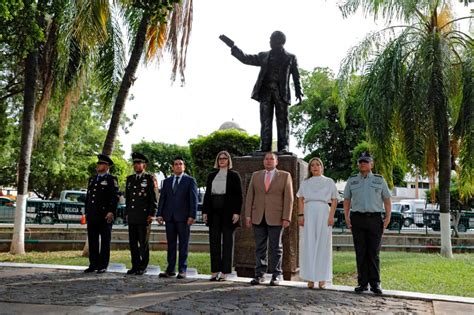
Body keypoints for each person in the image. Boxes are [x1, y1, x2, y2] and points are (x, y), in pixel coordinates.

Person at [219, 31, 303, 153]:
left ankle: (283, 147)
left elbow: (296, 76)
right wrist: (233, 46)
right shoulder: (264, 55)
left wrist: (299, 91)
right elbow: (246, 58)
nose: (269, 41)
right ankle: (265, 147)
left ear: (278, 41)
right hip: (265, 93)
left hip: (281, 94)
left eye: (271, 39)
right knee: (265, 121)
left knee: (282, 121)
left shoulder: (290, 57)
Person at [343, 152, 392, 295]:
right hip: (357, 218)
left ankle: (375, 283)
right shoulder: (352, 181)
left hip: (375, 219)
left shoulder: (379, 180)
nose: (362, 164)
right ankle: (362, 283)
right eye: (360, 162)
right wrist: (346, 217)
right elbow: (347, 200)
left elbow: (387, 200)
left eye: (365, 162)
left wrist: (388, 217)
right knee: (360, 252)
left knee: (374, 252)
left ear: (371, 164)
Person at [245, 152, 294, 286]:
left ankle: (277, 274)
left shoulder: (285, 176)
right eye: (266, 159)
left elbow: (289, 198)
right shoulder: (256, 176)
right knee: (260, 247)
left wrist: (286, 217)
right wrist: (248, 215)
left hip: (276, 218)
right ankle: (259, 274)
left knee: (276, 247)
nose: (268, 161)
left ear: (276, 162)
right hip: (258, 216)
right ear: (263, 161)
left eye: (271, 159)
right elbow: (250, 197)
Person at [297, 157, 338, 289]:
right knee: (309, 243)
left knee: (323, 244)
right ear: (309, 168)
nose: (315, 167)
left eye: (317, 165)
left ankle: (322, 278)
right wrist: (301, 215)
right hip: (309, 212)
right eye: (312, 165)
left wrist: (331, 216)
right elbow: (300, 199)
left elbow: (334, 200)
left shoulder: (329, 181)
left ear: (322, 167)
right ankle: (310, 277)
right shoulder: (305, 182)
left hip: (323, 212)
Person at [202, 151, 243, 281]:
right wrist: (205, 212)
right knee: (214, 242)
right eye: (220, 158)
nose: (222, 160)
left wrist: (237, 212)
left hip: (228, 212)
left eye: (225, 158)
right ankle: (215, 271)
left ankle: (225, 272)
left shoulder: (234, 175)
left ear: (228, 160)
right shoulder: (211, 175)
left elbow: (239, 196)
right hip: (214, 211)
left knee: (227, 242)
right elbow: (207, 194)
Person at [157, 157, 198, 279]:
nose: (178, 166)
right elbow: (162, 199)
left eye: (180, 164)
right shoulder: (167, 181)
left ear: (184, 167)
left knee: (183, 244)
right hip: (169, 217)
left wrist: (192, 215)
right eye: (176, 164)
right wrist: (159, 214)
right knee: (171, 244)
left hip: (184, 218)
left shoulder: (190, 181)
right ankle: (170, 269)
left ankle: (182, 269)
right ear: (172, 167)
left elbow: (194, 199)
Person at [84, 154, 118, 273]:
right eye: (98, 164)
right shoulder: (92, 179)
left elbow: (114, 197)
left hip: (104, 216)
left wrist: (111, 211)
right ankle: (93, 264)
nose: (98, 166)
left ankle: (103, 265)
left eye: (101, 164)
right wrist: (86, 212)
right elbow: (88, 197)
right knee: (93, 240)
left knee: (104, 241)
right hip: (92, 214)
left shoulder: (111, 179)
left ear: (107, 166)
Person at [125, 152, 158, 275]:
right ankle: (135, 265)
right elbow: (128, 199)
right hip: (133, 216)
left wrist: (152, 214)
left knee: (143, 243)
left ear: (144, 165)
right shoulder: (130, 179)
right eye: (135, 163)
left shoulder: (149, 179)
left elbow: (153, 198)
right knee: (133, 243)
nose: (136, 165)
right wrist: (127, 213)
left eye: (139, 163)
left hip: (144, 217)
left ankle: (143, 266)